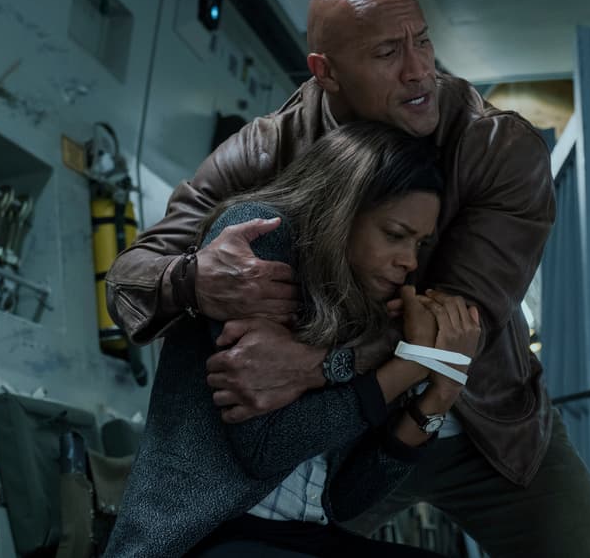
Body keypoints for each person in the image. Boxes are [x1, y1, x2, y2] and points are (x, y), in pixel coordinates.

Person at [106, 0, 590, 558]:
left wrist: (316, 366)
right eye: (387, 53)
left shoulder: (497, 148)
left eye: (422, 41)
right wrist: (194, 278)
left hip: (480, 421)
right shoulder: (267, 151)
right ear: (325, 72)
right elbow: (130, 277)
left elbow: (452, 326)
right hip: (340, 438)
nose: (419, 70)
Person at [105, 122, 481, 558]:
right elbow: (267, 449)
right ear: (341, 210)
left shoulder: (373, 309)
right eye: (395, 235)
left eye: (419, 244)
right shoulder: (259, 239)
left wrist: (439, 394)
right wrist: (409, 365)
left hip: (299, 535)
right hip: (202, 536)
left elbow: (346, 499)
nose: (409, 261)